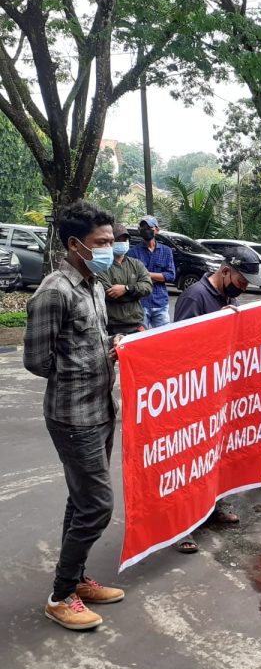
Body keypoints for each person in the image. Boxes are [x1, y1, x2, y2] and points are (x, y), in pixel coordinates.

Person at [23, 200, 124, 631]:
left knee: (80, 500)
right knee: (98, 505)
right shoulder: (54, 291)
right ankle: (60, 595)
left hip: (102, 410)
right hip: (72, 416)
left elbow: (89, 342)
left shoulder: (95, 285)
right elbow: (35, 360)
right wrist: (80, 368)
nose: (111, 249)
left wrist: (111, 351)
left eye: (112, 241)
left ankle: (77, 579)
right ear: (74, 244)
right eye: (102, 243)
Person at [171, 253, 261, 552]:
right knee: (189, 461)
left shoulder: (230, 300)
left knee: (215, 456)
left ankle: (212, 508)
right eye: (240, 281)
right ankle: (181, 527)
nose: (242, 288)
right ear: (225, 271)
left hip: (219, 392)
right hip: (194, 393)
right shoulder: (195, 297)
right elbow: (179, 344)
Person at [96, 223, 152, 335]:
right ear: (111, 242)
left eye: (125, 239)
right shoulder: (101, 266)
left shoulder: (136, 264)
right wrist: (135, 293)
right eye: (118, 239)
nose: (122, 242)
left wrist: (126, 289)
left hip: (137, 324)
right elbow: (107, 293)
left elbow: (148, 287)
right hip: (112, 326)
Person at [127, 215, 175, 328]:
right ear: (139, 230)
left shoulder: (166, 251)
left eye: (150, 228)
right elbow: (133, 278)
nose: (146, 231)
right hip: (140, 303)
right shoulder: (132, 253)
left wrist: (145, 274)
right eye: (143, 228)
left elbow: (170, 276)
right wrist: (159, 276)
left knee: (164, 338)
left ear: (157, 230)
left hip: (161, 303)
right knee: (140, 339)